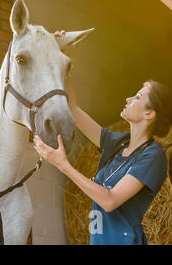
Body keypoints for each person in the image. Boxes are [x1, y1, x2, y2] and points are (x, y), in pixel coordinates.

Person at [33, 31, 171, 245]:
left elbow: (110, 200)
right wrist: (63, 57)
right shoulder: (118, 143)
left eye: (137, 97)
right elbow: (74, 109)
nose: (128, 98)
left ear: (149, 114)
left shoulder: (153, 156)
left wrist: (64, 166)